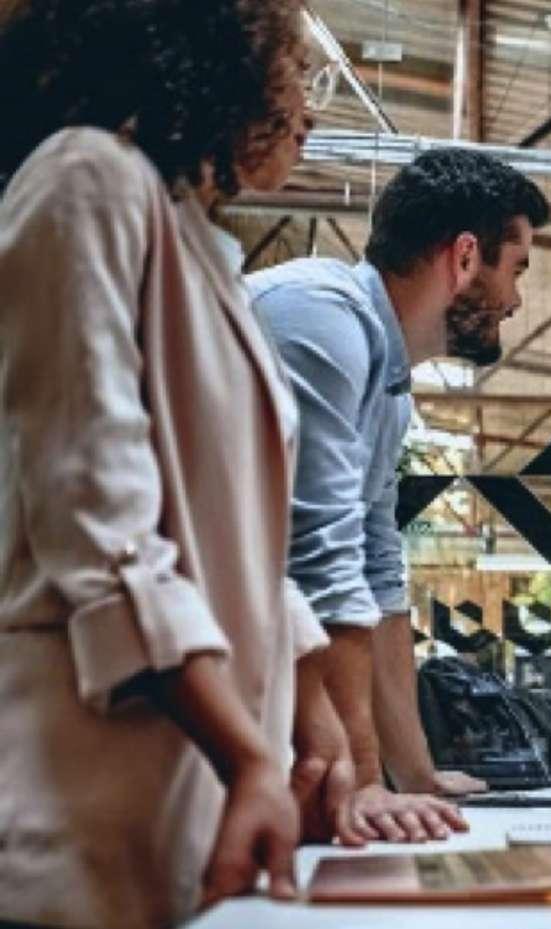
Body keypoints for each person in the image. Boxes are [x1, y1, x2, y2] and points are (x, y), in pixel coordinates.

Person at [0, 1, 354, 924]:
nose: (311, 107)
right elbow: (99, 521)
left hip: (182, 801)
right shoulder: (86, 179)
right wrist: (249, 756)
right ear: (213, 53)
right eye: (296, 68)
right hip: (82, 804)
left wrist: (309, 720)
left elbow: (229, 533)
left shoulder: (189, 236)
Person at [248, 148, 550, 840]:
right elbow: (320, 558)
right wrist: (362, 781)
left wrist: (413, 774)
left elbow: (376, 571)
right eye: (517, 268)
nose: (515, 300)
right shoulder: (319, 316)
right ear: (466, 257)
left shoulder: (388, 390)